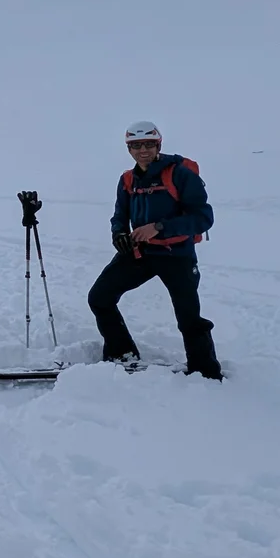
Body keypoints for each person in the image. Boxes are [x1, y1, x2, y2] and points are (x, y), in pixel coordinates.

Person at [86, 120, 222, 380]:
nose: (143, 150)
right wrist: (119, 234)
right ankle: (122, 355)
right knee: (100, 298)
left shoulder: (180, 174)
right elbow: (119, 215)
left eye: (148, 144)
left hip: (177, 255)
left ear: (158, 144)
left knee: (189, 318)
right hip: (140, 253)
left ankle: (205, 372)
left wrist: (158, 227)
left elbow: (203, 218)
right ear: (129, 149)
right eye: (136, 145)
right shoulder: (128, 179)